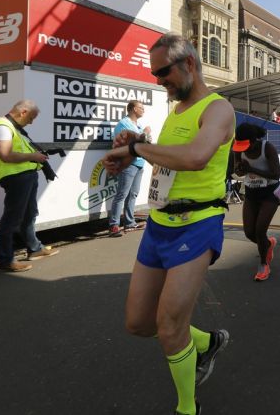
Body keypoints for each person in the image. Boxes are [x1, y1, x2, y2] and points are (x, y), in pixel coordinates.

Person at [101, 34, 234, 415]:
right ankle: (205, 343)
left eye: (163, 72)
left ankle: (187, 408)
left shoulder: (218, 108)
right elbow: (168, 161)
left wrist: (135, 147)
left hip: (198, 223)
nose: (159, 81)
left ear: (189, 63)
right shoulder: (175, 112)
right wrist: (134, 150)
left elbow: (194, 157)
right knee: (140, 323)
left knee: (171, 325)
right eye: (154, 74)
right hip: (159, 224)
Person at [0, 100, 60, 272]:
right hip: (16, 178)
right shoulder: (2, 126)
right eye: (31, 118)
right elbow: (5, 155)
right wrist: (34, 157)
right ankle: (5, 260)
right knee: (12, 218)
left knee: (29, 214)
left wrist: (35, 157)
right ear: (23, 112)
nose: (31, 122)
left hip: (25, 176)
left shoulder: (11, 127)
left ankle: (35, 249)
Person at [232, 123, 280, 282]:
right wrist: (240, 169)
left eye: (246, 146)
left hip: (270, 192)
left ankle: (263, 264)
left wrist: (251, 169)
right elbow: (238, 170)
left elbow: (276, 174)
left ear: (254, 141)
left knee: (260, 230)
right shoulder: (238, 149)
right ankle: (267, 244)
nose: (244, 150)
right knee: (249, 232)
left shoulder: (268, 148)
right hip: (251, 192)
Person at [108, 100, 151, 237]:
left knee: (133, 194)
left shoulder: (137, 125)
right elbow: (136, 141)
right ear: (133, 109)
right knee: (122, 194)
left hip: (139, 163)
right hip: (128, 164)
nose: (143, 110)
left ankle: (129, 222)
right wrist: (145, 133)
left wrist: (145, 136)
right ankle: (114, 226)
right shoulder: (124, 124)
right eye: (141, 107)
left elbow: (145, 142)